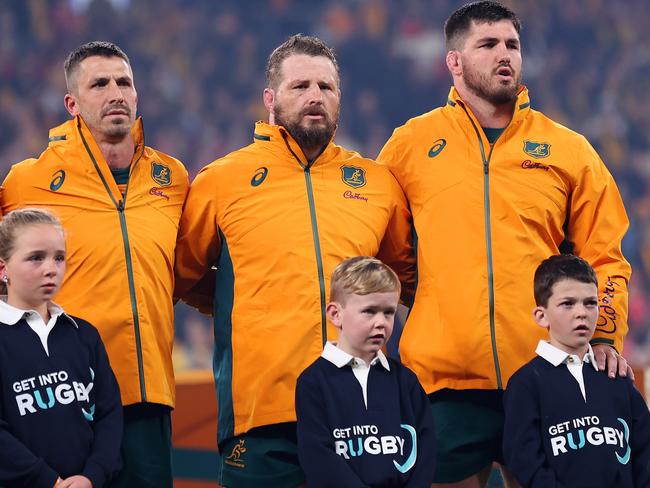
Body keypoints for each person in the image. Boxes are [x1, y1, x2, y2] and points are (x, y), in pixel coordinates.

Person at [376, 2, 632, 486]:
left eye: (512, 45)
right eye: (488, 45)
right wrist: (430, 298)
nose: (505, 55)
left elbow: (604, 253)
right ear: (454, 61)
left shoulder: (568, 149)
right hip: (444, 385)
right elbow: (386, 250)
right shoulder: (410, 145)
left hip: (547, 375)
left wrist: (602, 335)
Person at [174, 34, 414, 487]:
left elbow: (406, 277)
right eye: (300, 86)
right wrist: (237, 301)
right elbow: (179, 275)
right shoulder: (222, 180)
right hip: (262, 414)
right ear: (270, 98)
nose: (315, 97)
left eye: (326, 88)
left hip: (360, 411)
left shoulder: (378, 183)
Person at [0, 41, 189, 487]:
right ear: (73, 103)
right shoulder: (28, 180)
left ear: (138, 94)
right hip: (63, 396)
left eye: (124, 82)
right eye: (99, 84)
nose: (115, 93)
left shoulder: (173, 178)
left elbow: (187, 268)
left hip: (147, 395)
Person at [0, 208, 122, 488]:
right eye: (36, 258)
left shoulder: (84, 335)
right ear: (3, 268)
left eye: (59, 257)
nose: (51, 268)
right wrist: (49, 481)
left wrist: (91, 476)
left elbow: (109, 414)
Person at [503, 254, 650, 487]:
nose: (581, 312)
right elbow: (524, 459)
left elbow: (644, 451)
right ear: (541, 316)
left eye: (590, 303)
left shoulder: (616, 376)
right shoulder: (525, 384)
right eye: (568, 303)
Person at [295, 256, 435, 487]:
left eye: (388, 312)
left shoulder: (406, 381)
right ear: (335, 314)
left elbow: (425, 447)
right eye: (369, 311)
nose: (381, 322)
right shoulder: (313, 382)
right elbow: (317, 455)